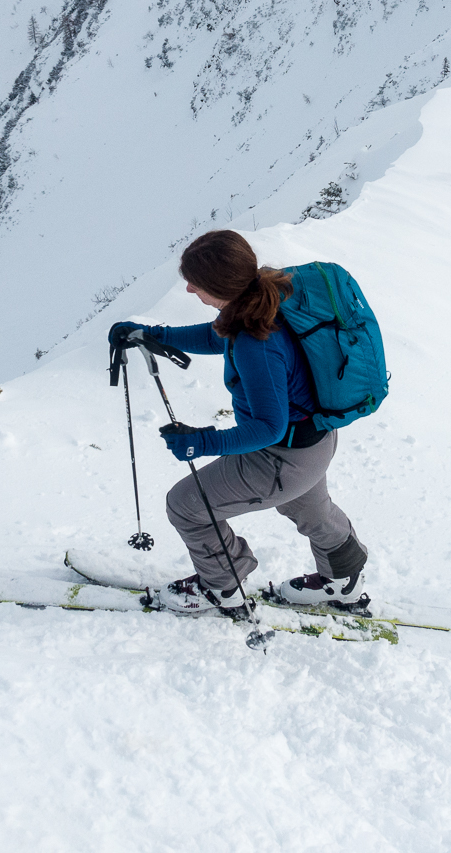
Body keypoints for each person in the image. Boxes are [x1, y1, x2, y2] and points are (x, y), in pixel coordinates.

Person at [108, 230, 369, 618]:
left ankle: (219, 588)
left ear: (220, 286)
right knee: (313, 511)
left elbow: (268, 427)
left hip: (279, 455)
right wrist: (152, 335)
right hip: (313, 444)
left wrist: (201, 443)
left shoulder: (256, 342)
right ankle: (344, 581)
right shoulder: (263, 297)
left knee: (186, 505)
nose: (189, 290)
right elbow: (218, 337)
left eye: (195, 283)